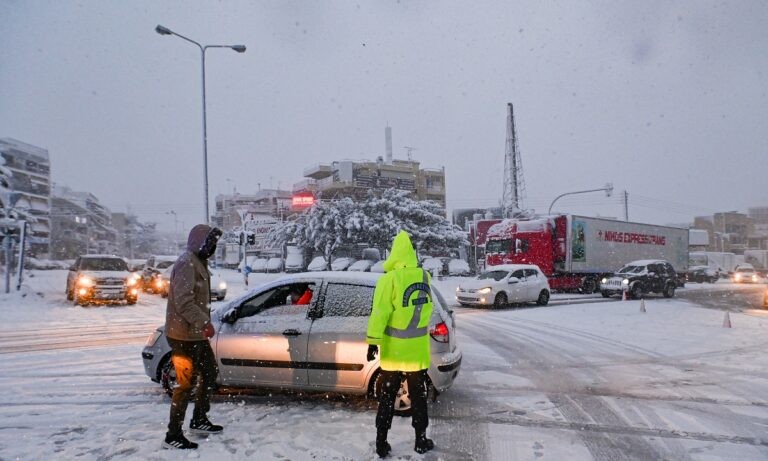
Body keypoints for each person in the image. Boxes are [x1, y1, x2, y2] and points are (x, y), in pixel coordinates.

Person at [366, 230, 435, 457]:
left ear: (395, 253)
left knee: (387, 397)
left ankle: (381, 442)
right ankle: (420, 439)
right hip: (417, 351)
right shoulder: (424, 276)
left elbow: (380, 312)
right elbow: (428, 309)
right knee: (419, 396)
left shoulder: (389, 279)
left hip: (395, 350)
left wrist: (373, 341)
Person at [163, 224, 224, 450]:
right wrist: (204, 322)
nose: (213, 248)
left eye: (214, 244)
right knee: (185, 385)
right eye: (210, 243)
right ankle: (173, 434)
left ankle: (199, 419)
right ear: (200, 242)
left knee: (209, 374)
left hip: (195, 334)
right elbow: (184, 301)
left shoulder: (198, 261)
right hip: (183, 336)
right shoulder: (187, 262)